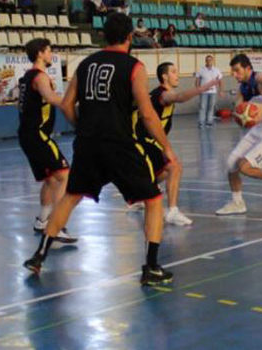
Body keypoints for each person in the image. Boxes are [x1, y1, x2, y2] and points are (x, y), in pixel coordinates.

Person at [23, 13, 178, 286]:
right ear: (130, 37)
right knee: (153, 200)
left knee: (70, 197)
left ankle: (39, 255)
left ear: (103, 35)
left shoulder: (84, 64)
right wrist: (166, 147)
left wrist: (81, 126)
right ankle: (151, 266)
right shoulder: (134, 66)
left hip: (87, 144)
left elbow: (68, 105)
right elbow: (147, 114)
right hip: (120, 144)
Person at [134, 62, 219, 225]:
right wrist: (202, 88)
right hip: (145, 142)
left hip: (148, 142)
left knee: (166, 173)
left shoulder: (158, 93)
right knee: (175, 167)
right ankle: (172, 211)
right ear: (164, 76)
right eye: (173, 72)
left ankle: (141, 192)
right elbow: (178, 97)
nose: (177, 75)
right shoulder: (163, 94)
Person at [17, 38, 77, 243]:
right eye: (50, 51)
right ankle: (56, 225)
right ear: (41, 53)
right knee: (64, 176)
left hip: (27, 134)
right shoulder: (40, 77)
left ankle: (42, 220)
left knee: (51, 179)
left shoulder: (26, 76)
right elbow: (52, 98)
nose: (52, 54)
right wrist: (74, 102)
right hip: (37, 134)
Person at [215, 53, 262, 216]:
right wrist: (238, 113)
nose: (234, 74)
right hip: (258, 129)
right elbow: (239, 107)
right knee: (231, 163)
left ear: (248, 68)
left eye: (237, 70)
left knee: (245, 167)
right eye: (232, 71)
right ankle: (237, 203)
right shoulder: (243, 87)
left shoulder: (260, 78)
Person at [195, 55, 223, 128]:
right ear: (205, 61)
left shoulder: (217, 70)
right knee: (202, 107)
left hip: (213, 92)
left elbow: (220, 81)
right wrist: (197, 89)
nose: (209, 61)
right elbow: (197, 80)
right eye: (207, 60)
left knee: (211, 107)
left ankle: (209, 122)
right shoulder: (201, 70)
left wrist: (221, 90)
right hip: (203, 92)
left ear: (212, 61)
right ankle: (201, 122)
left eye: (210, 60)